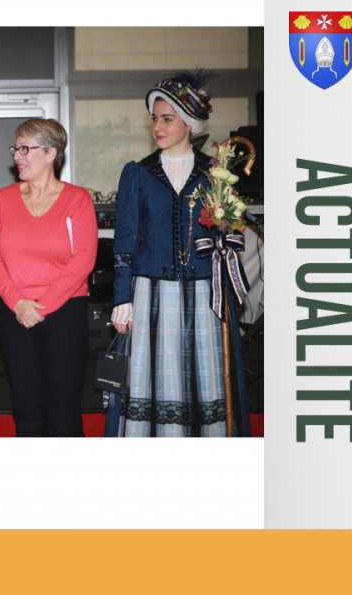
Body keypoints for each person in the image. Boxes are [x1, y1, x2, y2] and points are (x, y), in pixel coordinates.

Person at [111, 72, 250, 437]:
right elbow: (124, 241)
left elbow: (233, 236)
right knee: (152, 382)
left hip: (205, 293)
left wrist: (225, 237)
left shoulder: (215, 175)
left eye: (167, 118)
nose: (157, 126)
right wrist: (122, 297)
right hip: (151, 292)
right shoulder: (137, 174)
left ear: (189, 123)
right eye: (154, 118)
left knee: (204, 382)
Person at [0, 119, 97, 436]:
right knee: (26, 406)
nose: (17, 156)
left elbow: (83, 259)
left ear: (51, 153)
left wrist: (41, 307)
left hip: (64, 313)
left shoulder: (78, 199)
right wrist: (18, 302)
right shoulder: (3, 199)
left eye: (24, 149)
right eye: (15, 149)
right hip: (14, 312)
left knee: (63, 408)